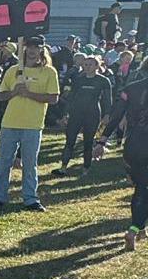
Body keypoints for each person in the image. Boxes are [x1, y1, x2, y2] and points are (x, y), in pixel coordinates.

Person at [0, 36, 60, 211]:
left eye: (36, 47)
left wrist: (30, 94)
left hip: (33, 124)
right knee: (4, 161)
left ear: (41, 50)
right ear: (24, 48)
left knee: (29, 163)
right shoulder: (14, 70)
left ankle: (30, 198)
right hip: (10, 122)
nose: (32, 50)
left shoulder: (49, 72)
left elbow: (53, 98)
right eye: (29, 46)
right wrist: (14, 92)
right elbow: (0, 95)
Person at [95, 76, 148, 249]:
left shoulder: (131, 88)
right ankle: (134, 229)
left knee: (141, 187)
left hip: (133, 145)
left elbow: (117, 115)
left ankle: (139, 229)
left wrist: (102, 140)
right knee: (143, 188)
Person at [53, 55, 111, 178]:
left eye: (90, 64)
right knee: (70, 140)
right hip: (76, 113)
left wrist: (107, 114)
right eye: (85, 64)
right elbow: (71, 98)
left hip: (93, 113)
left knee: (88, 142)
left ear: (97, 66)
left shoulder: (103, 81)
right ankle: (63, 167)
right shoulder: (78, 80)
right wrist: (65, 114)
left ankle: (86, 168)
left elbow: (107, 100)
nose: (87, 67)